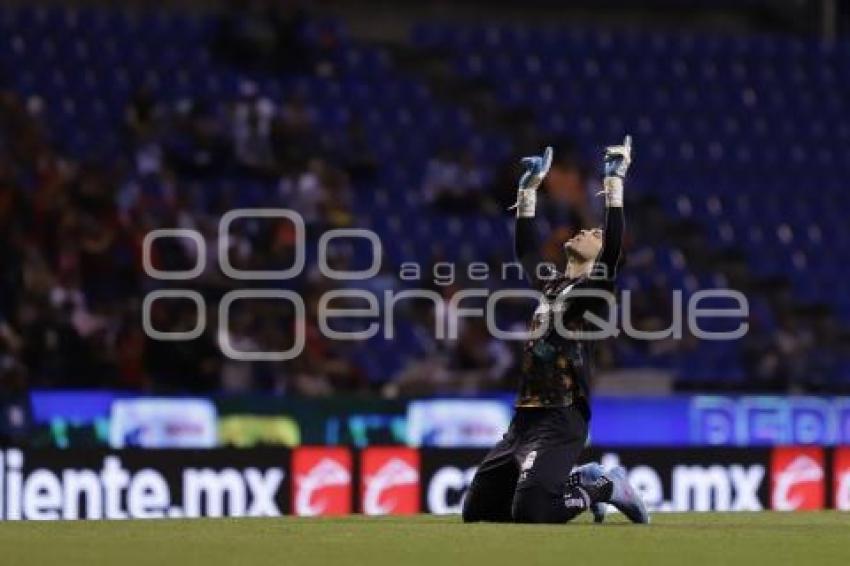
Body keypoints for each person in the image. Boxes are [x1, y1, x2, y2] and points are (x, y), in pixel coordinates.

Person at [462, 137, 649, 524]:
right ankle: (580, 480)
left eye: (595, 235)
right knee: (478, 511)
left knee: (532, 511)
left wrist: (613, 186)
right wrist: (527, 190)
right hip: (524, 420)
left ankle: (603, 486)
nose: (586, 232)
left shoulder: (592, 296)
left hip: (561, 418)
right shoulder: (553, 286)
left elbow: (613, 253)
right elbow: (527, 253)